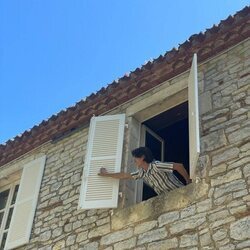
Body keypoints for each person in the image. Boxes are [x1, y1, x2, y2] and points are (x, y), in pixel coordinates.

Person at [98, 147, 191, 195]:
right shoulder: (142, 172)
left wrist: (188, 181)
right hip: (168, 197)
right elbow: (124, 176)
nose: (134, 161)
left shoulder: (156, 165)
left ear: (142, 157)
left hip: (180, 192)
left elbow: (179, 166)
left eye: (135, 158)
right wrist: (107, 174)